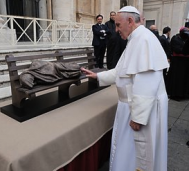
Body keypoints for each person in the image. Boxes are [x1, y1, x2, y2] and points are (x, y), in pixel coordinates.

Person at [81, 6, 169, 171]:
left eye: (118, 25)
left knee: (137, 155)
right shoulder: (135, 39)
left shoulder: (144, 40)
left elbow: (147, 81)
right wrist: (98, 76)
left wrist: (138, 117)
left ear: (130, 21)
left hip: (139, 110)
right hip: (132, 106)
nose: (116, 29)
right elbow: (122, 71)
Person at [166, 27, 189, 101]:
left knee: (185, 78)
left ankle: (184, 94)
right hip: (177, 62)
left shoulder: (186, 39)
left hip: (186, 62)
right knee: (177, 79)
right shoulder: (175, 38)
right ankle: (175, 94)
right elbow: (176, 49)